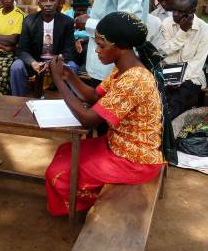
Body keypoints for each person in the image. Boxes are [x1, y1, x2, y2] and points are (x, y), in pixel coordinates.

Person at [46, 11, 176, 216]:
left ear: (120, 47)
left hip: (134, 161)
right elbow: (93, 96)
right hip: (119, 146)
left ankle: (84, 206)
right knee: (66, 150)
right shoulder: (123, 68)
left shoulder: (135, 79)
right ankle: (86, 199)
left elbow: (88, 120)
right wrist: (69, 76)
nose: (96, 50)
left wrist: (58, 82)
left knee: (58, 172)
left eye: (102, 45)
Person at [10, 0, 76, 96]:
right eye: (45, 0)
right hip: (36, 61)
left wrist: (53, 63)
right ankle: (19, 100)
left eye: (52, 0)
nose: (48, 4)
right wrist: (33, 63)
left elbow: (70, 50)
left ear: (58, 2)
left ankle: (68, 103)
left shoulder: (67, 22)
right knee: (16, 67)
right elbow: (22, 49)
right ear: (39, 3)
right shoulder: (29, 21)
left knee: (72, 67)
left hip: (58, 60)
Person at [156, 0, 208, 119]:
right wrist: (182, 32)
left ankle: (166, 132)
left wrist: (179, 79)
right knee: (157, 99)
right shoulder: (167, 24)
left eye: (181, 12)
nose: (175, 15)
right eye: (174, 10)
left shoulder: (204, 29)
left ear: (192, 11)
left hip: (191, 76)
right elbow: (163, 52)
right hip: (167, 72)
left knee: (175, 101)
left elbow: (197, 63)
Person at [65, 0, 92, 68]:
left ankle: (85, 67)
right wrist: (75, 40)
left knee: (88, 47)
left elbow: (94, 33)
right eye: (79, 10)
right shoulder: (67, 15)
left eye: (84, 10)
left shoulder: (92, 15)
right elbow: (66, 33)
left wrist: (81, 40)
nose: (82, 13)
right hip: (71, 41)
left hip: (87, 41)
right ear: (73, 9)